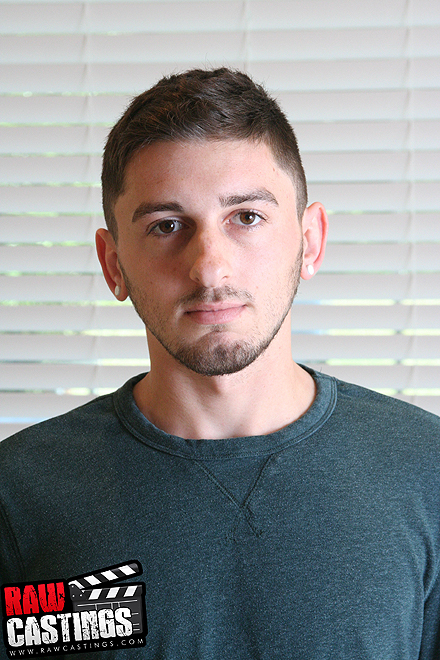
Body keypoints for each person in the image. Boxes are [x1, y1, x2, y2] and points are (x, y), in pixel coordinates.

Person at [1, 68, 439, 660]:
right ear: (113, 264)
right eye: (166, 226)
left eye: (247, 217)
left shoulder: (427, 472)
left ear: (310, 242)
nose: (210, 267)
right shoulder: (20, 493)